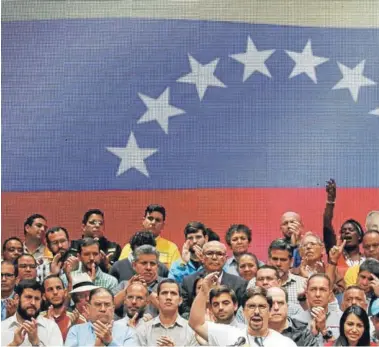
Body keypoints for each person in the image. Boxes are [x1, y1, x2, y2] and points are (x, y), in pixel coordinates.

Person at [189, 273, 297, 346]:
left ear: (270, 311)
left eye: (262, 306)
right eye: (251, 306)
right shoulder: (229, 334)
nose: (256, 312)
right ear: (244, 311)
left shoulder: (285, 343)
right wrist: (203, 291)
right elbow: (195, 323)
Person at [181, 241, 247, 316]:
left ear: (225, 258)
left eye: (219, 254)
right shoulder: (189, 281)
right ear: (202, 257)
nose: (214, 257)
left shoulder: (239, 283)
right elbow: (184, 309)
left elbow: (240, 311)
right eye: (210, 253)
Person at [249, 239, 306, 316]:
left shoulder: (302, 284)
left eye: (283, 260)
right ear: (269, 260)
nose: (278, 264)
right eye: (275, 259)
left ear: (291, 261)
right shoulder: (254, 282)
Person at [65, 287, 137, 346]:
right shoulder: (76, 331)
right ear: (88, 308)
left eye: (107, 304)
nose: (103, 309)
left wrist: (110, 342)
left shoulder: (128, 332)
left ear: (113, 308)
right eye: (98, 304)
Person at [323, 179, 365, 277]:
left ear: (359, 236)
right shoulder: (335, 255)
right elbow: (327, 225)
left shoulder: (367, 259)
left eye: (351, 230)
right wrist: (330, 201)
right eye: (343, 231)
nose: (346, 232)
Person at [136, 278, 197, 346]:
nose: (168, 297)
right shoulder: (143, 329)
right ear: (158, 299)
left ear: (180, 300)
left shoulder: (191, 331)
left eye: (173, 293)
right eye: (164, 293)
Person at [1, 279, 63, 346]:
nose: (33, 303)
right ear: (17, 298)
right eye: (28, 297)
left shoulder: (51, 327)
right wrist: (13, 344)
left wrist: (36, 342)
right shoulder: (2, 327)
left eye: (37, 299)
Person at [292, 273, 342, 344]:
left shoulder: (342, 319)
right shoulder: (296, 321)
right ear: (306, 293)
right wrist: (312, 335)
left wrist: (324, 331)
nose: (317, 294)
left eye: (322, 289)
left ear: (330, 295)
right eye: (313, 289)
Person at [40, 274, 83, 341]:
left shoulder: (78, 319)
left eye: (58, 288)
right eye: (50, 289)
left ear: (65, 292)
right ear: (43, 296)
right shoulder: (37, 320)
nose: (55, 292)